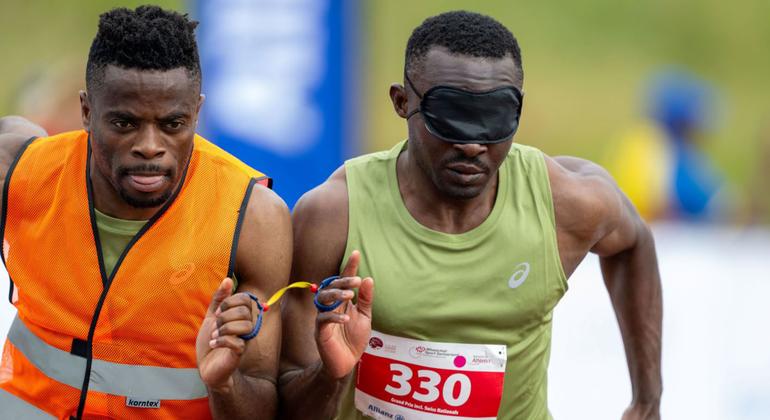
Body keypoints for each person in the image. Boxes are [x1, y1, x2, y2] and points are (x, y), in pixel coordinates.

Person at [280, 11, 663, 420]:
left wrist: (647, 398)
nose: (472, 145)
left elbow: (633, 243)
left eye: (493, 118)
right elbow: (287, 401)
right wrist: (330, 375)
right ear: (402, 101)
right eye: (451, 117)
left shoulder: (561, 203)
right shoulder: (333, 214)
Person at [0, 6, 291, 419]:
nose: (150, 146)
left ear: (197, 111)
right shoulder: (19, 173)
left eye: (173, 124)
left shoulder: (252, 219)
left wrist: (224, 383)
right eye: (124, 123)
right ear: (86, 111)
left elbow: (262, 405)